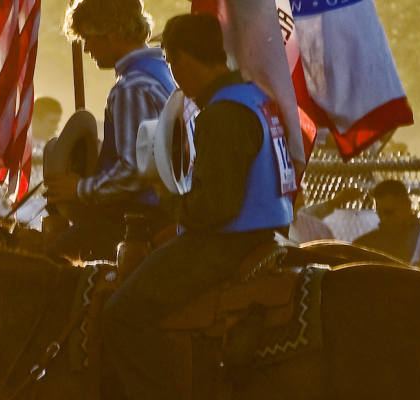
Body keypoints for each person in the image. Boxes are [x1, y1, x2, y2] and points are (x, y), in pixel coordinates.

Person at [101, 14, 296, 400]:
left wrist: (167, 197)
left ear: (183, 61)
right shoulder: (257, 97)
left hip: (225, 244)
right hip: (272, 231)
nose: (175, 78)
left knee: (120, 314)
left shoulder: (222, 114)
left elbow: (214, 210)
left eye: (172, 65)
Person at [45, 0, 176, 261]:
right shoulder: (161, 70)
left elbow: (134, 171)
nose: (86, 48)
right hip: (161, 208)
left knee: (48, 263)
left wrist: (80, 188)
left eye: (89, 38)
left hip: (136, 217)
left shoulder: (131, 86)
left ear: (113, 32)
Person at [353, 180, 420, 261]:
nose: (383, 218)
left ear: (407, 205)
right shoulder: (368, 243)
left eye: (389, 212)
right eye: (379, 213)